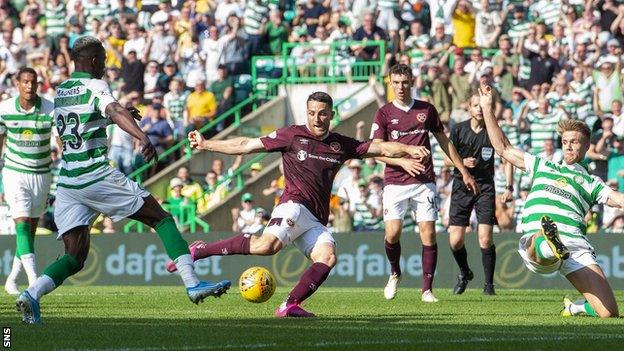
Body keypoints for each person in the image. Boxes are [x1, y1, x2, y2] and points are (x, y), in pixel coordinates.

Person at [15, 37, 230, 325]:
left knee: (75, 256)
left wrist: (115, 117)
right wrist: (142, 135)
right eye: (103, 59)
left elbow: (84, 121)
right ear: (93, 61)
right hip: (96, 176)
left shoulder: (62, 90)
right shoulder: (96, 86)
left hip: (68, 183)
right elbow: (112, 110)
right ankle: (192, 283)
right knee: (161, 218)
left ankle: (31, 294)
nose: (105, 65)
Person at [166, 91, 431, 317]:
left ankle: (290, 304)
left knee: (327, 257)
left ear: (331, 114)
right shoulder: (291, 136)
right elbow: (246, 145)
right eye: (312, 112)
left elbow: (381, 148)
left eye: (323, 113)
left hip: (315, 218)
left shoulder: (341, 145)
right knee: (266, 246)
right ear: (307, 112)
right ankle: (198, 251)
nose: (317, 118)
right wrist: (207, 144)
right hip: (293, 205)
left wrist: (407, 150)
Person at [479, 84, 624, 318]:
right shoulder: (542, 165)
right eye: (565, 141)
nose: (568, 145)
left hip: (575, 247)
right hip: (535, 240)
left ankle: (574, 307)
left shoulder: (592, 182)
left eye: (575, 141)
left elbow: (618, 200)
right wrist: (487, 107)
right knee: (542, 244)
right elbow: (504, 149)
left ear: (587, 146)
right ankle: (547, 241)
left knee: (609, 313)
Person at [371, 64, 478, 303]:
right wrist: (403, 163)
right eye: (396, 82)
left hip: (424, 181)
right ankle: (395, 272)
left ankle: (427, 290)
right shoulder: (384, 113)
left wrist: (464, 171)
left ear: (412, 82)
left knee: (428, 234)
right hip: (395, 181)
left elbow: (445, 143)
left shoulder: (426, 110)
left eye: (404, 82)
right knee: (393, 233)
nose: (400, 87)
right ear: (390, 83)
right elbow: (376, 152)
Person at [445, 94, 513, 296]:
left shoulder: (493, 132)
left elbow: (508, 156)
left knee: (485, 238)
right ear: (469, 107)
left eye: (481, 106)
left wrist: (509, 187)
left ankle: (489, 286)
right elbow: (446, 159)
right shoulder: (458, 129)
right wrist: (461, 163)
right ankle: (465, 273)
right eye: (475, 106)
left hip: (484, 187)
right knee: (455, 241)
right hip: (461, 186)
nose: (479, 109)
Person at [0, 68, 55, 295]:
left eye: (33, 82)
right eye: (25, 82)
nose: (29, 87)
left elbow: (61, 139)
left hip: (42, 173)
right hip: (14, 172)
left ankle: (12, 279)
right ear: (17, 84)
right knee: (21, 222)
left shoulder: (51, 109)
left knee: (30, 229)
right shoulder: (4, 109)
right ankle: (34, 281)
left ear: (38, 84)